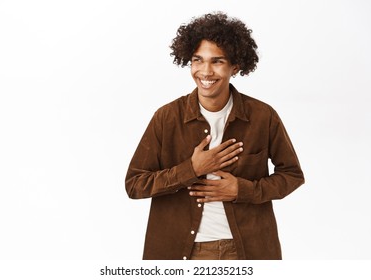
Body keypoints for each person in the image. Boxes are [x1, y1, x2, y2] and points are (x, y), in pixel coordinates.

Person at [125, 12, 304, 260]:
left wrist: (243, 190)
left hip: (247, 251)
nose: (205, 71)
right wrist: (191, 168)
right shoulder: (166, 118)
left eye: (217, 61)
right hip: (179, 252)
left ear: (235, 67)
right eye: (198, 60)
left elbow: (293, 175)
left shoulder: (263, 117)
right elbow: (135, 185)